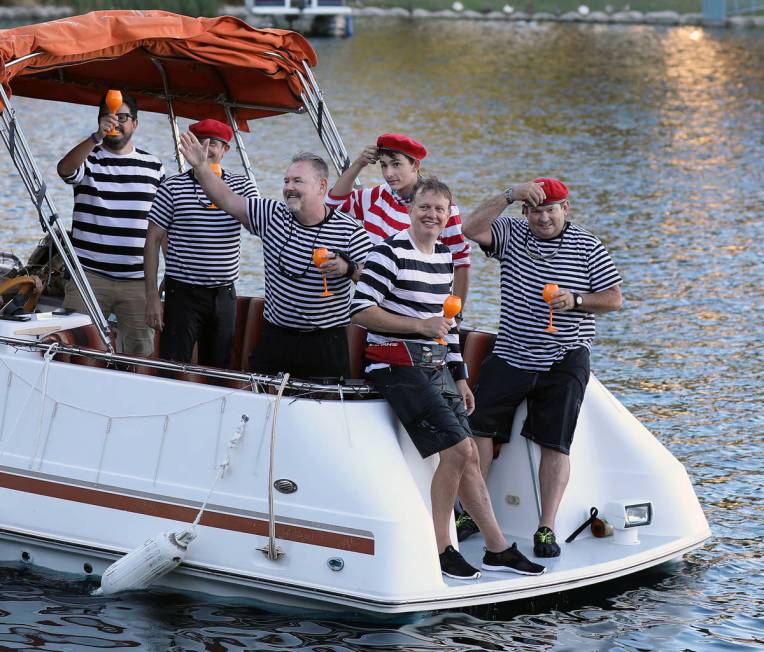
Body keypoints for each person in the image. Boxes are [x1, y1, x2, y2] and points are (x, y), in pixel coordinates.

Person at [351, 177, 546, 580]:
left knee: (471, 455)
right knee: (458, 452)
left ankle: (497, 549)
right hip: (393, 366)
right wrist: (417, 325)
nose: (432, 215)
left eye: (440, 209)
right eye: (425, 207)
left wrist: (460, 377)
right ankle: (441, 548)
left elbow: (448, 326)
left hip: (436, 365)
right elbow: (360, 308)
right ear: (410, 210)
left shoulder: (444, 258)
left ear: (448, 215)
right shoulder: (388, 251)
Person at [462, 177, 623, 558]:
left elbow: (614, 299)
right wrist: (508, 194)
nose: (543, 217)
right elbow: (470, 228)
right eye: (534, 209)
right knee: (478, 427)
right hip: (513, 351)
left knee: (555, 442)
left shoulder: (588, 246)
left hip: (565, 355)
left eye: (550, 209)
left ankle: (546, 528)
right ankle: (472, 513)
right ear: (525, 212)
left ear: (565, 209)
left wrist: (578, 299)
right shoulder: (513, 233)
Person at [178, 131, 372, 379]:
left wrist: (348, 267)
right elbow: (226, 199)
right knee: (261, 403)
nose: (288, 188)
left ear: (322, 186)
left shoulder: (350, 230)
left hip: (325, 341)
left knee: (322, 407)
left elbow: (370, 280)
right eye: (286, 181)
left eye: (297, 181)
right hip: (275, 336)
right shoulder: (270, 214)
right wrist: (202, 167)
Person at [57, 90, 165, 356]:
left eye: (123, 117)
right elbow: (64, 170)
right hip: (89, 278)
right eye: (108, 117)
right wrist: (95, 138)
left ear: (135, 124)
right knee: (77, 351)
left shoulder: (154, 167)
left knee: (142, 356)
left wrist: (158, 290)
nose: (115, 123)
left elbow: (163, 229)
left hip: (137, 282)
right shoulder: (88, 159)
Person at [144, 119, 259, 368]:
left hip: (223, 294)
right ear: (188, 146)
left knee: (218, 371)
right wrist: (152, 296)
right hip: (182, 294)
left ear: (226, 150)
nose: (206, 149)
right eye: (200, 142)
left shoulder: (242, 186)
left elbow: (257, 225)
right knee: (173, 368)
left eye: (214, 143)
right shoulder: (172, 187)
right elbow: (152, 240)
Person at [326, 133, 471, 304]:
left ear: (415, 165)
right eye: (384, 165)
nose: (389, 173)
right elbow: (333, 204)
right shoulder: (377, 196)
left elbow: (461, 263)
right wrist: (359, 163)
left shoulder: (442, 209)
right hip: (374, 299)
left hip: (420, 305)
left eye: (396, 165)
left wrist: (457, 315)